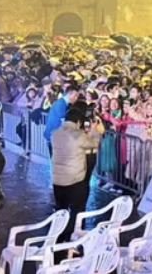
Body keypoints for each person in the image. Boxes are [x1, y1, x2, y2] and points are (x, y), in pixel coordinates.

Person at [51, 106, 103, 241]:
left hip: (58, 180)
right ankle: (72, 236)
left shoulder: (55, 134)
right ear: (79, 122)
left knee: (60, 209)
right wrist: (93, 130)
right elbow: (93, 144)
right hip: (75, 180)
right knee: (77, 209)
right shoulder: (79, 136)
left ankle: (58, 236)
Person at [44, 85, 79, 152]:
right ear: (69, 94)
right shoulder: (61, 104)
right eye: (75, 95)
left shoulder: (63, 103)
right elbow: (62, 122)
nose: (76, 98)